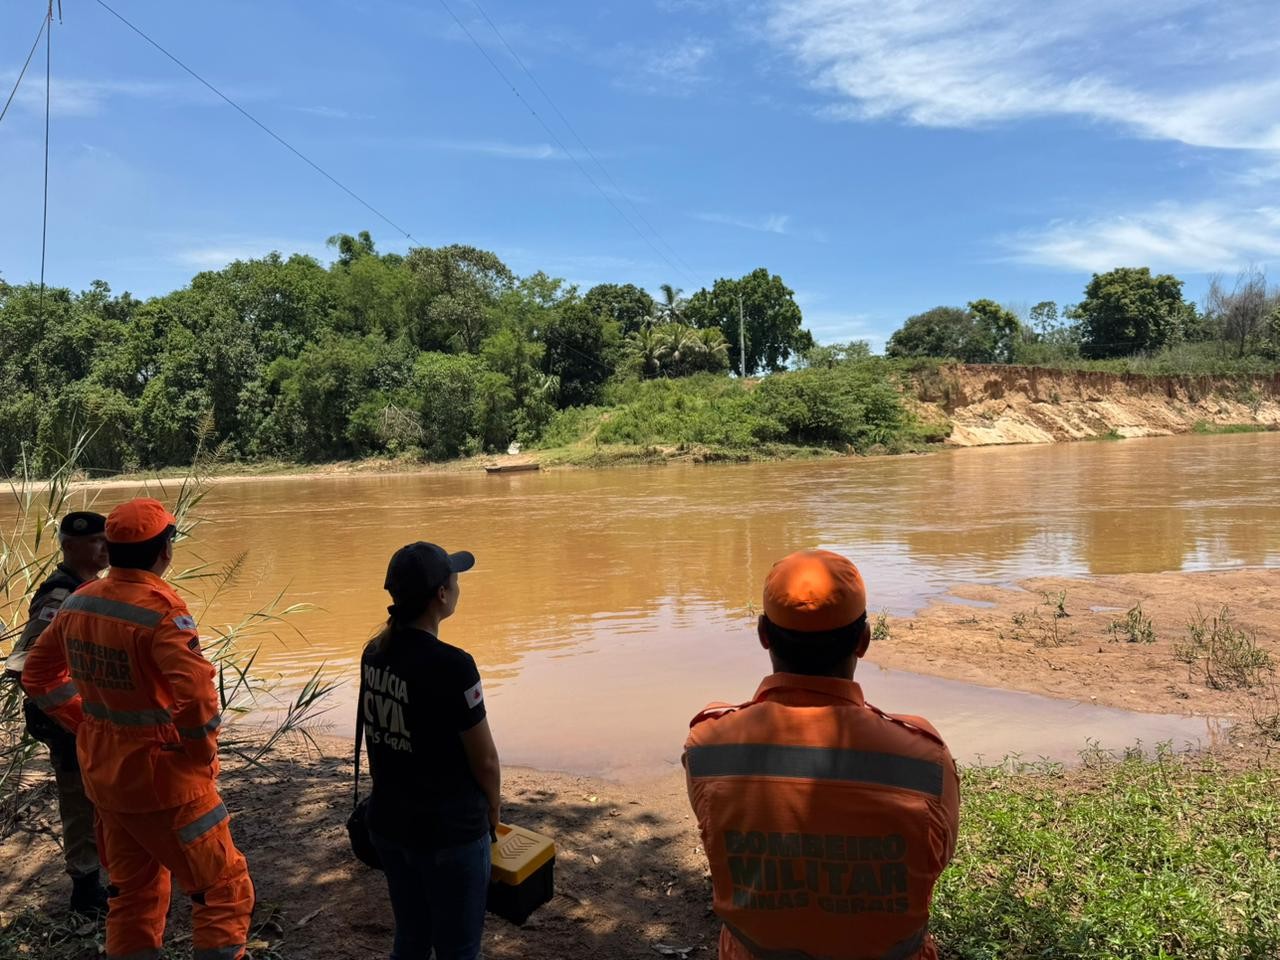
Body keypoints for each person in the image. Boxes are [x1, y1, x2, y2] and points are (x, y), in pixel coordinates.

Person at [684, 550, 960, 960]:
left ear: (763, 635)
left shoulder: (709, 744)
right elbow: (939, 858)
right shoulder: (924, 758)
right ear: (864, 641)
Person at [22, 497, 255, 960]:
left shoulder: (80, 600)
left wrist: (85, 723)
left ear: (110, 548)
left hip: (107, 779)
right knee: (222, 891)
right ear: (164, 550)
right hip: (167, 784)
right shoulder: (161, 610)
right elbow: (199, 698)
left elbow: (37, 676)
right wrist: (198, 755)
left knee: (132, 897)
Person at [361, 541, 500, 960]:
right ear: (442, 594)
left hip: (389, 824)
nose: (458, 586)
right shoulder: (454, 665)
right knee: (458, 949)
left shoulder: (374, 653)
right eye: (455, 579)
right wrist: (491, 816)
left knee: (412, 938)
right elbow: (487, 761)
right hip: (448, 834)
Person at [4, 511, 110, 915]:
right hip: (67, 720)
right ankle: (85, 891)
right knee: (80, 801)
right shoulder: (59, 598)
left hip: (87, 717)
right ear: (68, 546)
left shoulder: (92, 589)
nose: (104, 548)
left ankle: (106, 880)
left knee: (102, 798)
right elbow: (24, 666)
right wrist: (74, 714)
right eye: (95, 541)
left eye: (107, 539)